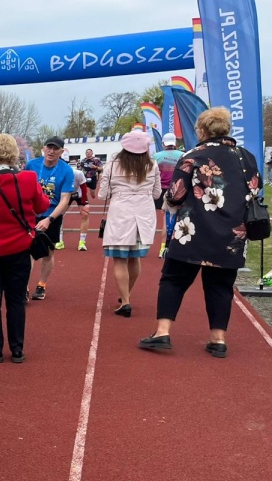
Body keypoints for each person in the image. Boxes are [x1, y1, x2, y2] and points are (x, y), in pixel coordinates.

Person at [139, 107, 261, 358]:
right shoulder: (246, 157)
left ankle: (162, 332)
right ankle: (218, 339)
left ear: (203, 130)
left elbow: (175, 194)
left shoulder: (194, 155)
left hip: (192, 230)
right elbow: (255, 190)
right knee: (221, 285)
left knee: (174, 279)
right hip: (232, 232)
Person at [0, 133, 49, 363]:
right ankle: (17, 349)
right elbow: (43, 205)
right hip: (19, 250)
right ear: (13, 154)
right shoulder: (28, 178)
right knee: (16, 301)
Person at [97, 130, 161, 318]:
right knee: (135, 257)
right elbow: (157, 194)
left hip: (120, 214)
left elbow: (103, 195)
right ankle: (126, 295)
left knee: (119, 259)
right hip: (144, 213)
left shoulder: (112, 165)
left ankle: (125, 300)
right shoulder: (152, 165)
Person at [27, 136, 75, 299]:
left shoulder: (66, 171)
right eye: (49, 147)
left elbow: (65, 200)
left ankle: (41, 285)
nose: (51, 151)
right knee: (27, 251)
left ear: (61, 151)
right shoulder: (31, 165)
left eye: (55, 149)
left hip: (51, 214)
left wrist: (49, 219)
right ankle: (23, 287)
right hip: (31, 214)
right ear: (43, 148)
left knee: (48, 253)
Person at [153, 132, 183, 257]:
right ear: (174, 143)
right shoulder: (183, 155)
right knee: (179, 219)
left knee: (165, 219)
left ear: (163, 143)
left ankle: (162, 249)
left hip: (162, 190)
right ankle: (175, 248)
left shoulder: (156, 156)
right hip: (178, 190)